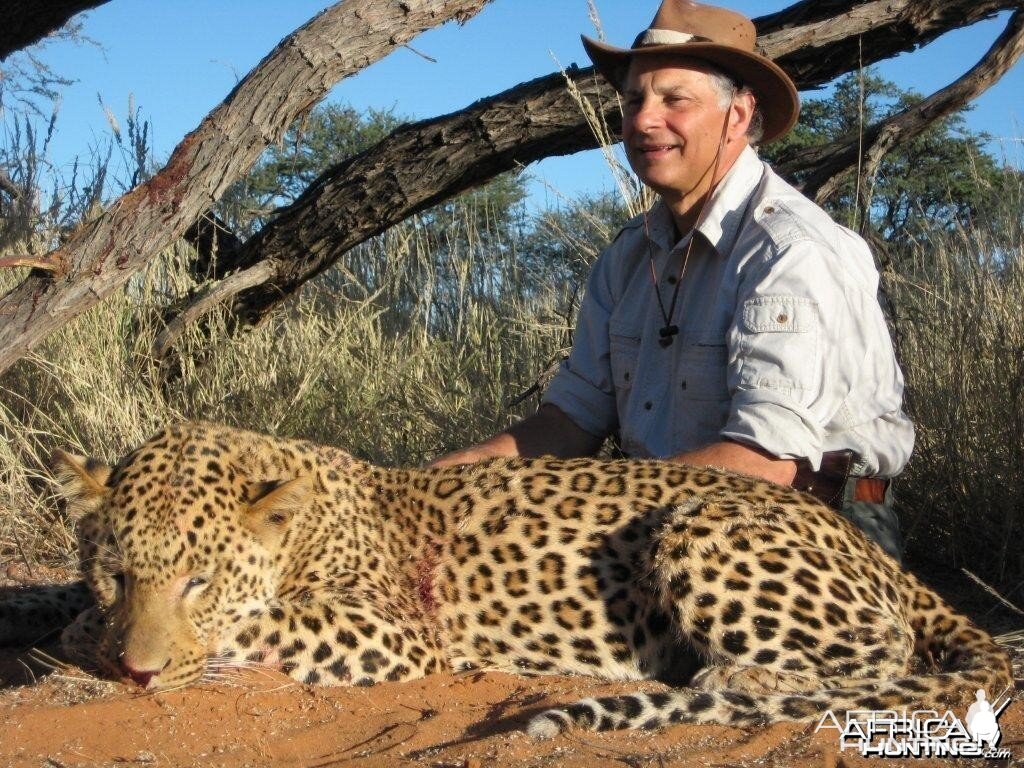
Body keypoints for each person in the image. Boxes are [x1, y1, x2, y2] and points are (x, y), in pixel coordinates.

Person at [431, 0, 914, 562]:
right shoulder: (628, 256)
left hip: (812, 533)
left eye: (674, 100)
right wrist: (447, 481)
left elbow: (767, 464)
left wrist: (576, 515)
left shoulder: (791, 251)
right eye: (634, 100)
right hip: (660, 519)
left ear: (737, 115)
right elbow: (572, 419)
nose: (642, 121)